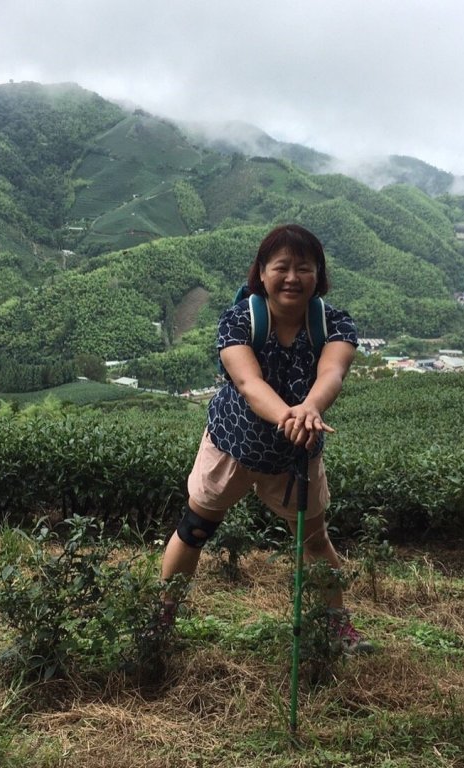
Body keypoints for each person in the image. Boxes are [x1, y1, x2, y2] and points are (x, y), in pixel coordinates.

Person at [160, 223, 372, 652]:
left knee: (315, 540)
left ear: (319, 275)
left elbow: (333, 371)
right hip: (233, 445)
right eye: (281, 267)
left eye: (304, 268)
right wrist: (290, 416)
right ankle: (160, 620)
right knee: (195, 528)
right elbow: (248, 382)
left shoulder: (334, 325)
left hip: (296, 455)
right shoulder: (239, 320)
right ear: (261, 272)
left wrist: (309, 409)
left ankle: (337, 629)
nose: (292, 277)